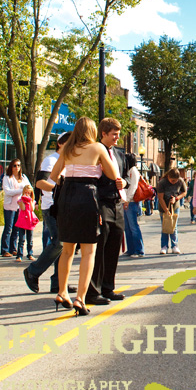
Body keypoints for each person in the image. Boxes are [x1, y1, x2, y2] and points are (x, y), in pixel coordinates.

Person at [50, 117, 120, 316]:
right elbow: (114, 174)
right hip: (88, 196)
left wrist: (70, 173)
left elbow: (54, 177)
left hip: (67, 197)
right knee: (89, 250)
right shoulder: (97, 148)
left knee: (67, 249)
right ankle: (80, 298)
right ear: (92, 131)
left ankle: (62, 292)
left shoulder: (67, 149)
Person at [85, 118, 128, 305]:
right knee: (99, 248)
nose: (117, 138)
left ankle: (108, 287)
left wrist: (124, 183)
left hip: (117, 203)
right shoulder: (95, 151)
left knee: (113, 247)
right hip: (101, 202)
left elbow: (126, 175)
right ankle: (92, 291)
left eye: (118, 134)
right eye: (114, 134)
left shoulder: (119, 154)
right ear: (103, 133)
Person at [24, 132, 71, 295]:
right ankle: (33, 271)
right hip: (51, 206)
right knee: (59, 242)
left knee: (64, 245)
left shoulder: (69, 161)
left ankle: (58, 283)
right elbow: (39, 183)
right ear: (60, 144)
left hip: (64, 207)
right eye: (69, 143)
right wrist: (60, 189)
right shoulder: (50, 160)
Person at [1, 159, 32, 259]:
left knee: (17, 228)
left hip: (21, 206)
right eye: (14, 165)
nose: (16, 168)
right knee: (8, 228)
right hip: (10, 206)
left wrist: (24, 192)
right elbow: (8, 191)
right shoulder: (7, 178)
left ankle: (13, 249)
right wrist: (21, 191)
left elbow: (29, 188)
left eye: (18, 165)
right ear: (11, 167)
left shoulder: (23, 177)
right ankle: (5, 249)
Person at [157, 169, 186, 254]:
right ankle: (164, 246)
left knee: (174, 226)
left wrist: (176, 198)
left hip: (175, 207)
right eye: (172, 180)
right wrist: (166, 210)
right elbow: (160, 197)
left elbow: (184, 192)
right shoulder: (162, 182)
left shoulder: (180, 181)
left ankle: (175, 246)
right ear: (168, 177)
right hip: (163, 207)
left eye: (175, 180)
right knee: (165, 226)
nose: (174, 182)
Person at [122, 153, 145, 258]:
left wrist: (127, 199)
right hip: (126, 201)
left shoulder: (133, 171)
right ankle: (131, 249)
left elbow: (133, 186)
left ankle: (139, 250)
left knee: (133, 226)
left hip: (131, 202)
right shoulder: (127, 171)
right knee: (127, 227)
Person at [14, 184, 39, 261]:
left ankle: (30, 253)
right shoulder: (20, 200)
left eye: (29, 193)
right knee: (21, 239)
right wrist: (24, 200)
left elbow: (32, 209)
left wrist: (30, 200)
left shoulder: (32, 201)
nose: (27, 194)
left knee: (30, 239)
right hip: (22, 221)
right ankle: (19, 255)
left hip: (30, 221)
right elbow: (23, 208)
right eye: (26, 193)